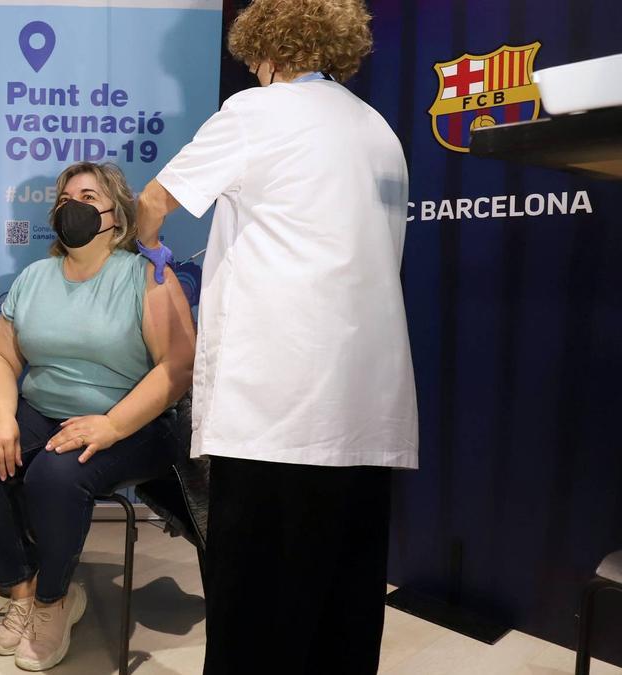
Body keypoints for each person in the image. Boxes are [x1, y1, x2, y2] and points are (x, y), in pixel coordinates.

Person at [133, 1, 418, 673]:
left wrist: (151, 249)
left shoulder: (254, 114)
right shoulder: (377, 128)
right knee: (343, 601)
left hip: (278, 407)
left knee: (256, 606)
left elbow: (153, 200)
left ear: (264, 49)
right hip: (367, 406)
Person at [0, 162, 195, 671]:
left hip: (132, 421)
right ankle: (22, 589)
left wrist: (112, 425)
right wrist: (1, 417)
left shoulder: (147, 276)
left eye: (87, 195)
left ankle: (53, 602)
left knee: (55, 475)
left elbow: (178, 367)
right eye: (63, 199)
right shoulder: (35, 277)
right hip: (45, 409)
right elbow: (2, 357)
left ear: (117, 214)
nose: (71, 207)